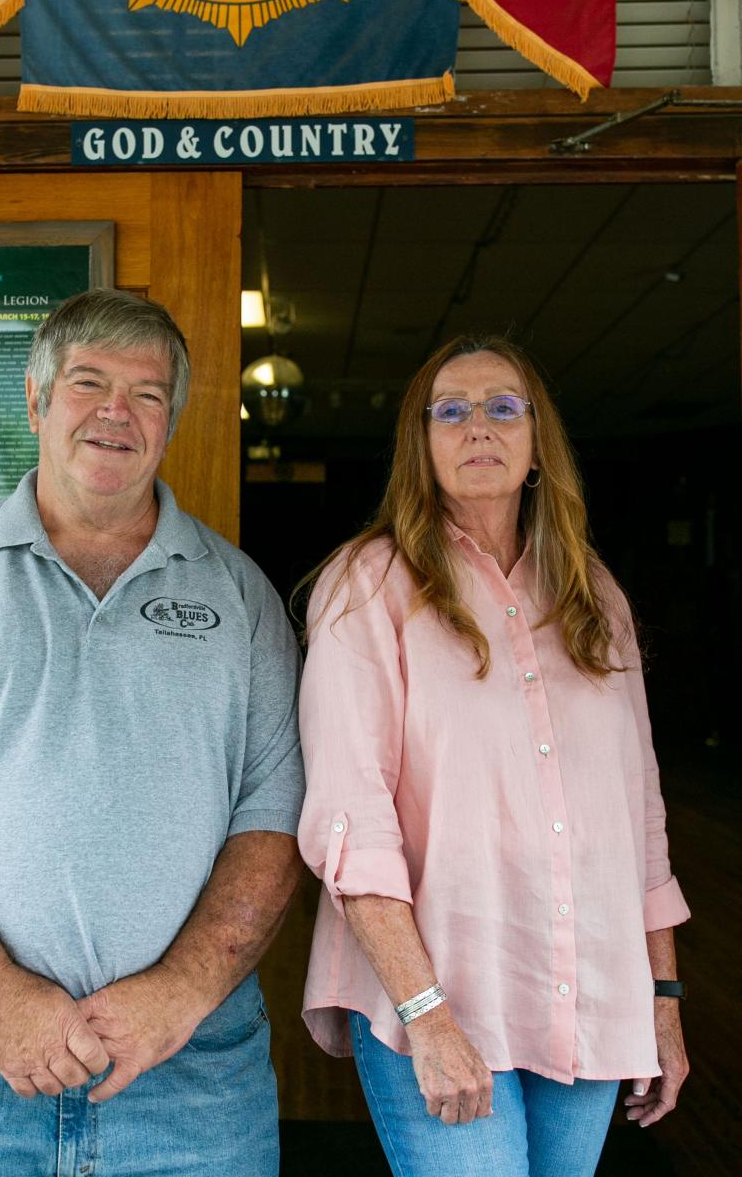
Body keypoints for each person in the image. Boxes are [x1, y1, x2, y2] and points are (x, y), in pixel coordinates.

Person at [0, 288, 304, 1177]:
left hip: (191, 1068)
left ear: (172, 418)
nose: (117, 412)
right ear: (38, 399)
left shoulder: (240, 599)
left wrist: (183, 992)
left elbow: (274, 819)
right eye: (89, 382)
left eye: (148, 393)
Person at [296, 334, 690, 1177]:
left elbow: (641, 815)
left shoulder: (594, 594)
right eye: (452, 410)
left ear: (538, 442)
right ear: (422, 444)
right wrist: (427, 1014)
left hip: (587, 991)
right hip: (438, 997)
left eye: (504, 407)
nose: (480, 425)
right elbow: (349, 820)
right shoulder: (370, 585)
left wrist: (662, 997)